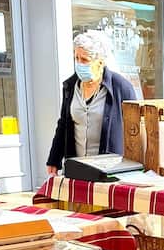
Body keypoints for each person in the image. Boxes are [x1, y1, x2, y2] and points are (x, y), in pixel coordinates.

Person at [46, 31, 135, 175]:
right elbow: (64, 124)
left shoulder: (121, 87)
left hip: (109, 169)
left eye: (85, 60)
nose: (79, 64)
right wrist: (54, 159)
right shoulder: (70, 86)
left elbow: (134, 130)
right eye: (76, 58)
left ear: (100, 62)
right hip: (77, 168)